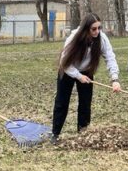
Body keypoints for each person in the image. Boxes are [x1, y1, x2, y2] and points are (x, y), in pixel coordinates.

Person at [51, 13, 121, 142]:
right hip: (68, 70)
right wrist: (78, 76)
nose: (97, 31)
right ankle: (55, 134)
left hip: (86, 71)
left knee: (85, 103)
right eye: (93, 29)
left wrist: (114, 79)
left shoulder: (102, 38)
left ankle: (83, 134)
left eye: (99, 28)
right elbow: (64, 62)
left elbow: (110, 57)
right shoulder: (74, 38)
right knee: (62, 102)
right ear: (85, 29)